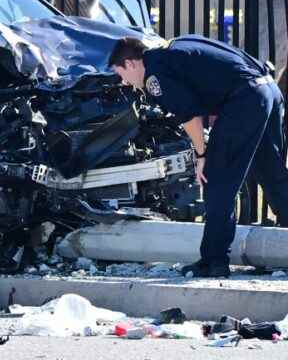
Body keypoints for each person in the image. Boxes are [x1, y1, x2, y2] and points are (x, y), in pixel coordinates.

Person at [108, 35, 288, 277]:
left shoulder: (155, 74)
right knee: (271, 170)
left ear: (130, 63)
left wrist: (202, 154)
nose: (125, 82)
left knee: (216, 178)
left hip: (245, 99)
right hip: (268, 89)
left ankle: (214, 261)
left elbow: (190, 116)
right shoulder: (174, 47)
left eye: (121, 73)